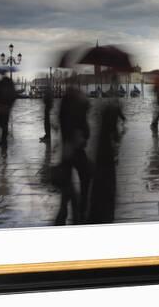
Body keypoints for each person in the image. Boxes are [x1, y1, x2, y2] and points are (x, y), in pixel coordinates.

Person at [54, 84, 91, 225]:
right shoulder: (78, 106)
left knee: (67, 182)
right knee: (85, 178)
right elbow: (85, 130)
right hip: (75, 150)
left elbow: (63, 123)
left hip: (67, 149)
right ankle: (79, 211)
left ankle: (64, 212)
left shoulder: (65, 102)